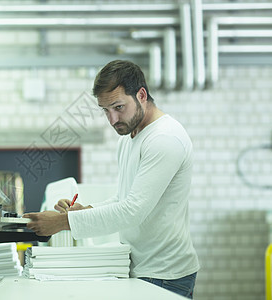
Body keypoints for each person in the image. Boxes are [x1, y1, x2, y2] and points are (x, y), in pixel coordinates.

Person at [24, 60, 200, 299]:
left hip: (165, 275)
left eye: (118, 107)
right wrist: (82, 211)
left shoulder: (164, 139)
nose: (113, 119)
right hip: (139, 267)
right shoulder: (129, 138)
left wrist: (62, 223)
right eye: (105, 110)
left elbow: (132, 211)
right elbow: (123, 198)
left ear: (141, 95)